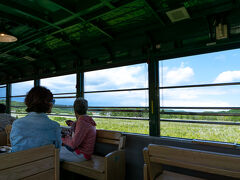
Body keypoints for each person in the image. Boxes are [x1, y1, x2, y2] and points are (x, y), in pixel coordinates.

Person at [10, 86, 62, 152]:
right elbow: (57, 150)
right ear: (48, 103)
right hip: (45, 162)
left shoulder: (17, 124)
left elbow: (14, 145)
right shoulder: (54, 126)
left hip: (18, 161)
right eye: (52, 101)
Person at [60, 98, 96, 162]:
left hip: (81, 154)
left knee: (54, 155)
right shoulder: (88, 120)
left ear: (75, 110)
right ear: (86, 109)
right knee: (57, 151)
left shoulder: (82, 123)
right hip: (84, 153)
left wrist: (63, 138)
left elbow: (73, 144)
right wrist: (73, 124)